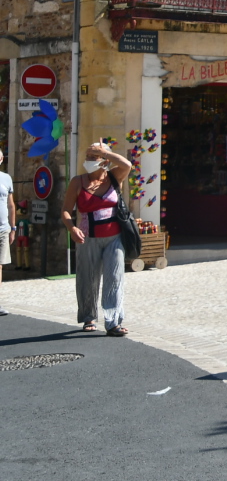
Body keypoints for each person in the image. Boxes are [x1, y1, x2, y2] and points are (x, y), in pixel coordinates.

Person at [65, 141, 134, 336]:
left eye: (93, 157)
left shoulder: (114, 177)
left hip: (114, 238)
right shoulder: (77, 182)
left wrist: (104, 152)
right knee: (88, 278)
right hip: (88, 238)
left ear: (104, 161)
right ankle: (88, 317)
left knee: (114, 278)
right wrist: (72, 228)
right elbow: (65, 210)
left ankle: (113, 322)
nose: (89, 160)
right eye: (88, 156)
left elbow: (127, 165)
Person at [0, 148, 14, 316]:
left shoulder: (6, 178)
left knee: (0, 265)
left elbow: (11, 205)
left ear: (2, 159)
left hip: (3, 229)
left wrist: (13, 227)